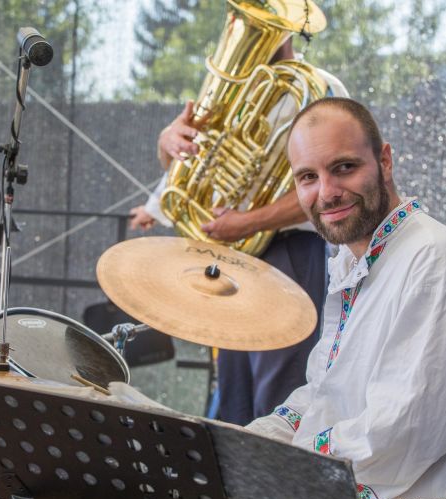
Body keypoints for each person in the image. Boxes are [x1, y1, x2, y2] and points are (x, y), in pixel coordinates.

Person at [246, 97, 446, 499]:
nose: (326, 192)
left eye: (344, 167)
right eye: (308, 177)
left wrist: (272, 464)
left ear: (384, 161)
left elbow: (398, 434)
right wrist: (241, 443)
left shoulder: (434, 261)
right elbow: (323, 396)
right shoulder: (354, 260)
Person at [130, 36, 349, 425]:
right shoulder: (232, 90)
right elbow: (199, 161)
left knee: (279, 396)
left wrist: (248, 221)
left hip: (289, 249)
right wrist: (167, 145)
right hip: (232, 250)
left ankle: (276, 465)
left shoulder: (320, 89)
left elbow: (326, 189)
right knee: (233, 395)